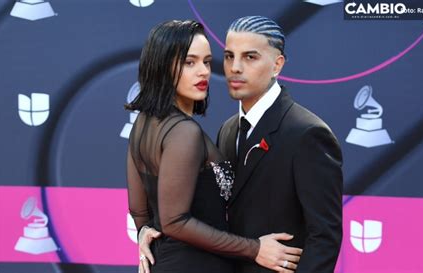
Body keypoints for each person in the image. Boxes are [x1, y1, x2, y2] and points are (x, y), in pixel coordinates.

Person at [126, 20, 302, 273]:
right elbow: (175, 221)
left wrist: (144, 232)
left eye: (207, 62)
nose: (203, 72)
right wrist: (255, 248)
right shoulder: (184, 132)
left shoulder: (143, 124)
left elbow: (138, 209)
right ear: (162, 67)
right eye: (189, 62)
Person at [216, 16, 344, 273]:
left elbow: (324, 237)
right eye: (229, 56)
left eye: (250, 57)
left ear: (277, 65)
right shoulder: (228, 129)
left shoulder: (308, 133)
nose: (235, 67)